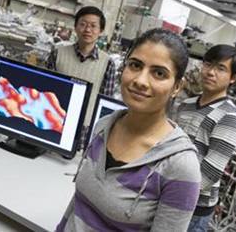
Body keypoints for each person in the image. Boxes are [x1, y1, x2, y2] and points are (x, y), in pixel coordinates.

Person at [56, 28, 201, 232]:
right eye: (135, 65)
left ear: (177, 86)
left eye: (159, 73)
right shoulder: (104, 125)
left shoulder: (180, 166)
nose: (140, 81)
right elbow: (77, 206)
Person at [174, 44, 236, 232]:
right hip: (169, 192)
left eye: (221, 68)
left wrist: (170, 192)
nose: (211, 72)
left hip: (194, 207)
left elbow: (210, 172)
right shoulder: (186, 105)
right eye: (208, 64)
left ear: (232, 78)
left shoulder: (229, 117)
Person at [47, 6, 116, 150]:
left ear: (101, 31)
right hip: (53, 121)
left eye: (93, 26)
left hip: (85, 130)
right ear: (75, 27)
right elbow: (46, 89)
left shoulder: (107, 63)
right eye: (83, 24)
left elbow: (105, 105)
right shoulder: (58, 53)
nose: (87, 30)